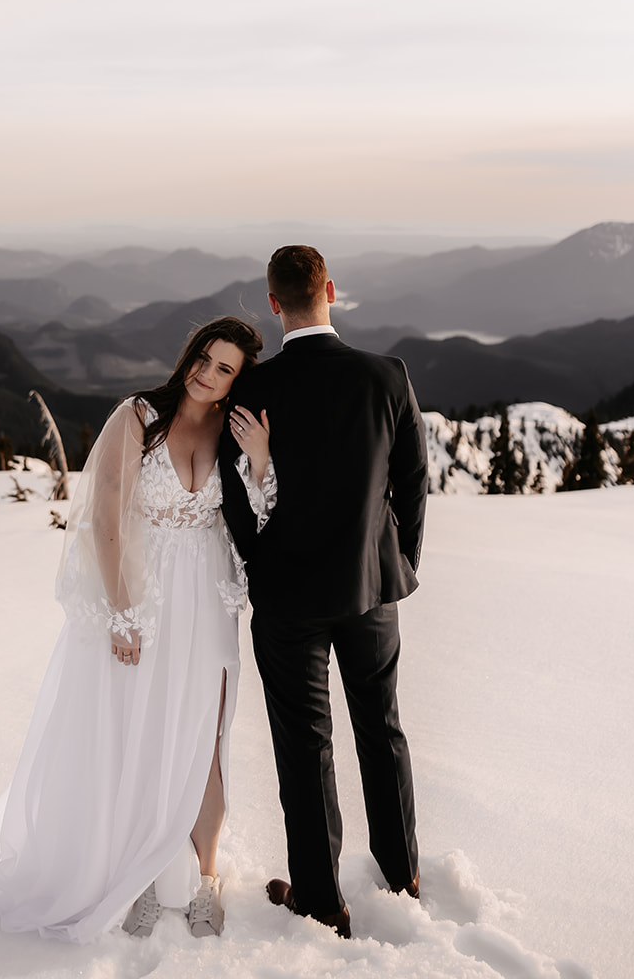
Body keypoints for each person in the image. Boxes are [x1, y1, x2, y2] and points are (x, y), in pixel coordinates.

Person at [0, 315, 267, 943]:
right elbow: (104, 521)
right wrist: (123, 611)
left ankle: (206, 878)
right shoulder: (138, 416)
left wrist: (264, 463)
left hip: (210, 598)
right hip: (146, 591)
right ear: (188, 353)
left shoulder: (233, 428)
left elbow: (257, 521)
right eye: (204, 358)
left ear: (236, 381)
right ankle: (134, 875)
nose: (208, 375)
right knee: (137, 731)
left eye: (225, 370)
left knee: (204, 739)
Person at [219, 245, 428, 939]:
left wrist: (260, 567)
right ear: (330, 292)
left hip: (287, 601)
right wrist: (395, 564)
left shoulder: (251, 391)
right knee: (382, 729)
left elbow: (234, 504)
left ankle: (318, 898)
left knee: (304, 746)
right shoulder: (386, 376)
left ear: (271, 303)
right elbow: (412, 482)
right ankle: (402, 876)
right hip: (372, 591)